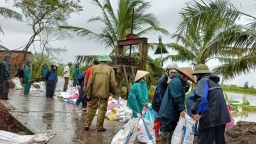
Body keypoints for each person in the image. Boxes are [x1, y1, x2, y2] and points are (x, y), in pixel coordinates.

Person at [191, 64, 230, 144]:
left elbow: (201, 98)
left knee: (205, 141)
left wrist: (194, 111)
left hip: (210, 118)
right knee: (220, 140)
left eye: (196, 75)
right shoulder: (215, 83)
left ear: (198, 74)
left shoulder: (203, 81)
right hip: (222, 117)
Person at [159, 67, 195, 144]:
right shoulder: (177, 82)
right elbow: (177, 97)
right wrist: (181, 109)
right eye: (187, 78)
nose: (187, 80)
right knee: (166, 130)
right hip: (169, 111)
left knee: (170, 130)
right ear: (183, 75)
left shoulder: (178, 81)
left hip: (170, 111)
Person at [84, 54, 116, 131]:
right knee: (102, 109)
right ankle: (99, 127)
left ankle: (87, 124)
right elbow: (112, 82)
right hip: (104, 92)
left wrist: (88, 92)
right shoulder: (110, 69)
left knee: (92, 107)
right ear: (107, 61)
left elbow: (90, 81)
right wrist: (113, 92)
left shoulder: (94, 68)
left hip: (94, 91)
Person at [151, 63, 178, 142]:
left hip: (166, 104)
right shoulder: (163, 79)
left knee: (164, 122)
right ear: (168, 71)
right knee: (157, 119)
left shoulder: (175, 80)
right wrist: (164, 104)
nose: (173, 74)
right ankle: (156, 135)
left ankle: (162, 135)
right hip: (158, 103)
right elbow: (160, 93)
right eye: (172, 72)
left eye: (175, 72)